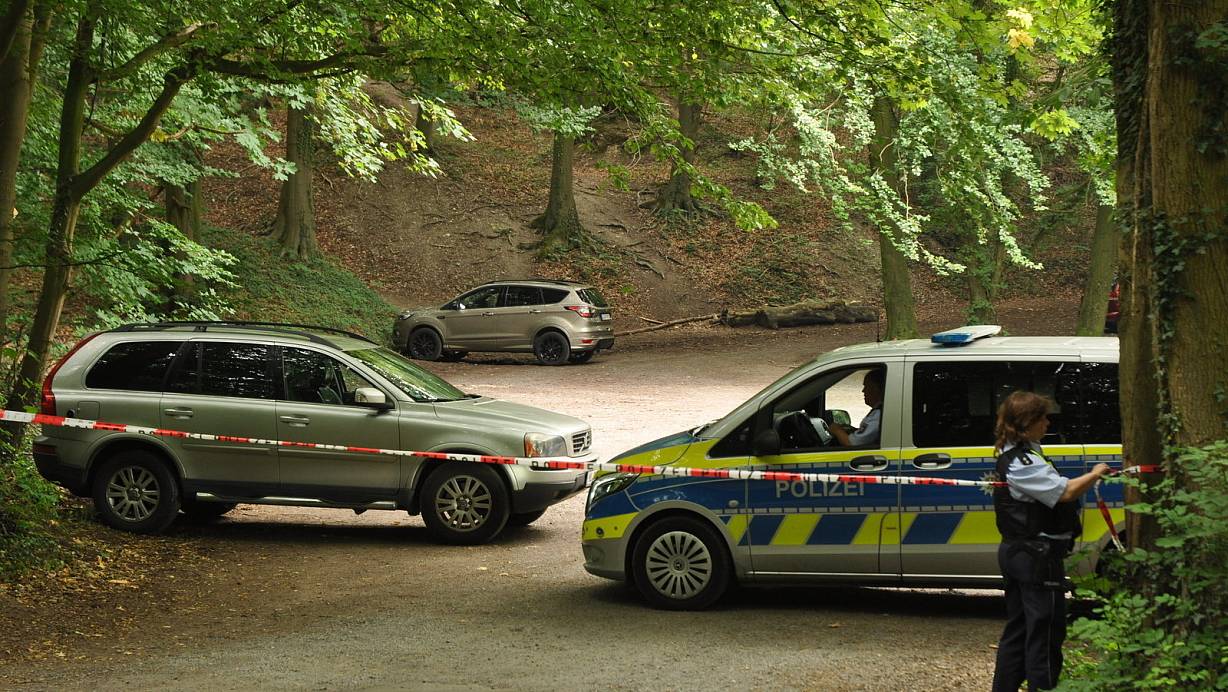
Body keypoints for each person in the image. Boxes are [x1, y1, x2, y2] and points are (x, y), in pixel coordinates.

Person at [991, 391, 1111, 691]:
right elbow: (1065, 492)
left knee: (1019, 629)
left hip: (1026, 552)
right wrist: (1096, 473)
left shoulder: (1025, 452)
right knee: (1044, 632)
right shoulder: (1021, 461)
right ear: (1026, 423)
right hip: (1035, 556)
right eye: (1042, 417)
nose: (1047, 422)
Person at [827, 368, 884, 447]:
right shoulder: (879, 412)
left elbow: (852, 443)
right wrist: (851, 430)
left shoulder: (879, 415)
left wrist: (836, 429)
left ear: (876, 389)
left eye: (866, 386)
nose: (863, 391)